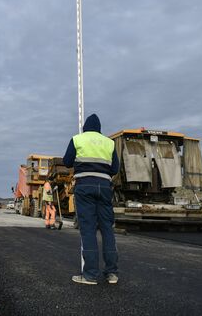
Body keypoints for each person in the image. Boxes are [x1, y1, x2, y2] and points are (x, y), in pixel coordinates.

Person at [63, 113, 120, 285]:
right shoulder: (109, 143)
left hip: (85, 185)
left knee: (88, 229)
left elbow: (67, 162)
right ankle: (112, 273)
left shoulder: (77, 139)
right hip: (104, 187)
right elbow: (115, 168)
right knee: (107, 229)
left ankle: (90, 275)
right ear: (99, 129)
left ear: (85, 127)